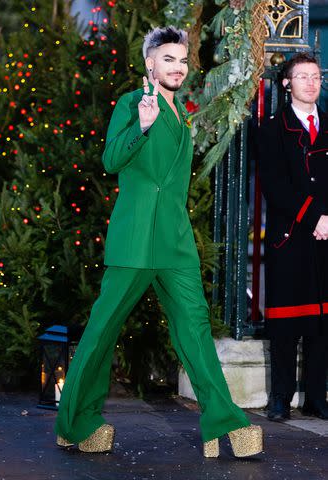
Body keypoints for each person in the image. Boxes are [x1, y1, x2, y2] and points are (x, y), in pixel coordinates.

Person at [54, 26, 262, 457]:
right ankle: (75, 422)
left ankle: (224, 423)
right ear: (150, 62)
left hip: (174, 241)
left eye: (183, 61)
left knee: (195, 329)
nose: (178, 68)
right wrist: (142, 127)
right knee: (101, 331)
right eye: (168, 59)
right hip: (133, 239)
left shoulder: (184, 114)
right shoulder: (133, 103)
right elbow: (111, 160)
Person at [257, 53, 328, 421]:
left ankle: (317, 397)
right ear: (287, 84)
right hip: (291, 235)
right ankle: (281, 397)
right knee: (285, 325)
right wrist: (316, 217)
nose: (311, 83)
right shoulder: (271, 129)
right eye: (302, 76)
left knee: (322, 323)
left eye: (316, 76)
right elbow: (275, 185)